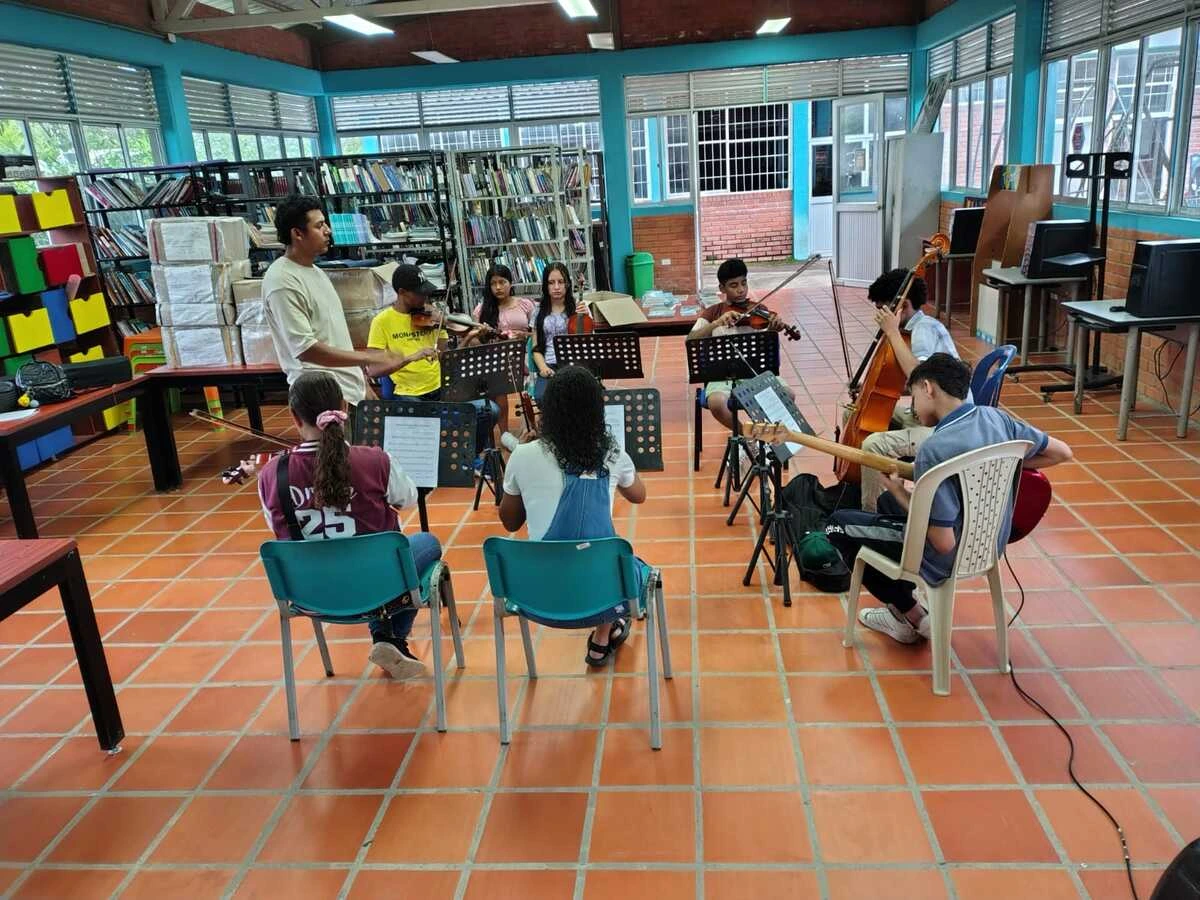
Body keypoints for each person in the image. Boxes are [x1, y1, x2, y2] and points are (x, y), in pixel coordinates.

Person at [824, 354, 1072, 645]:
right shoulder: (997, 418)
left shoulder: (934, 449)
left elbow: (943, 543)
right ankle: (902, 609)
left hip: (948, 556)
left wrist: (901, 492)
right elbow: (1062, 452)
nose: (914, 408)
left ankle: (911, 615)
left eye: (914, 397)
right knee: (887, 504)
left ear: (928, 388)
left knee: (837, 525)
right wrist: (1005, 461)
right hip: (989, 543)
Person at [256, 370, 438, 679]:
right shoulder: (374, 460)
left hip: (309, 592)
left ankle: (386, 638)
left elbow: (276, 526)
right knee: (424, 543)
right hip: (377, 586)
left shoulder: (272, 473)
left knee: (383, 555)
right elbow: (408, 498)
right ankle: (388, 636)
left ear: (294, 417)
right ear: (343, 407)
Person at [499, 366, 649, 667]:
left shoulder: (523, 454)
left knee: (589, 555)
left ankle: (604, 635)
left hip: (538, 594)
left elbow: (510, 522)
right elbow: (639, 495)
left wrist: (517, 465)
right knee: (615, 559)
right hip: (601, 594)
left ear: (548, 411)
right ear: (597, 412)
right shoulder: (611, 454)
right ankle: (602, 636)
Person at [262, 194, 401, 435]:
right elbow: (306, 349)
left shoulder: (316, 271)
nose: (328, 230)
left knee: (360, 456)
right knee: (337, 459)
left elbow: (334, 335)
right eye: (319, 225)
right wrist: (368, 358)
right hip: (322, 398)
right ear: (297, 233)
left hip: (348, 390)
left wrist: (361, 381)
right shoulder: (282, 281)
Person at [367, 264, 497, 471]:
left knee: (489, 411)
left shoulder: (432, 318)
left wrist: (469, 337)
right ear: (402, 292)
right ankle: (442, 459)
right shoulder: (381, 322)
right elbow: (373, 370)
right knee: (432, 423)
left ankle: (468, 456)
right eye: (419, 293)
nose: (425, 298)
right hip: (409, 394)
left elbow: (446, 359)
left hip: (442, 389)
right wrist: (411, 357)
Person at [859, 268, 967, 512]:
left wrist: (892, 332)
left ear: (904, 306)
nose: (879, 317)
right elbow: (922, 387)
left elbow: (919, 377)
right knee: (859, 412)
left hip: (944, 429)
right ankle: (862, 488)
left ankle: (870, 515)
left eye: (882, 310)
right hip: (926, 415)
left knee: (872, 445)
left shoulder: (924, 330)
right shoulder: (914, 330)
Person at [687, 258, 791, 433]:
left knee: (787, 394)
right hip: (721, 374)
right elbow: (691, 339)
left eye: (744, 283)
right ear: (722, 288)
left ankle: (764, 435)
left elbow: (764, 347)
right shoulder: (713, 312)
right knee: (717, 403)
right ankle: (746, 434)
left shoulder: (759, 310)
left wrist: (771, 331)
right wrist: (716, 323)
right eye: (733, 285)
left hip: (754, 370)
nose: (741, 290)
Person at [471, 264, 534, 450]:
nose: (498, 287)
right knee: (500, 395)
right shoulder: (481, 310)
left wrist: (524, 335)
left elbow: (536, 333)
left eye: (502, 282)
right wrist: (482, 336)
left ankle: (532, 430)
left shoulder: (525, 304)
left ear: (510, 283)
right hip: (496, 359)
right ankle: (506, 436)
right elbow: (475, 342)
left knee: (528, 393)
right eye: (493, 283)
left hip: (523, 356)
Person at [531, 262, 575, 404]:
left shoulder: (578, 308)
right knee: (541, 397)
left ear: (567, 284)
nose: (556, 287)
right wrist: (543, 368)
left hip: (573, 364)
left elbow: (587, 341)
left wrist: (584, 316)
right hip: (549, 363)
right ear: (545, 286)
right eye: (551, 283)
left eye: (561, 282)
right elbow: (536, 348)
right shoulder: (538, 311)